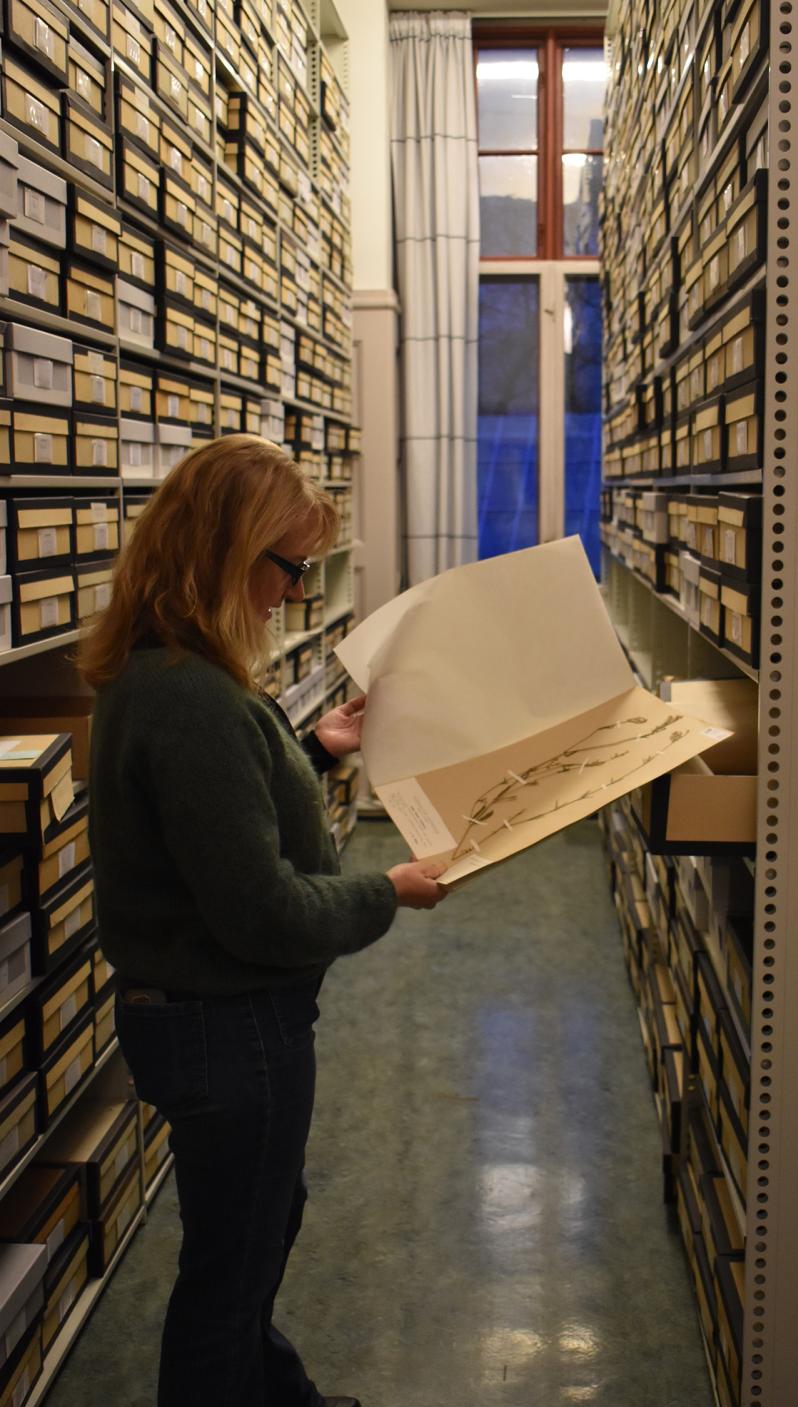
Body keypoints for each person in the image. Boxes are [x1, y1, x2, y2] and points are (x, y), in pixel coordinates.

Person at [79, 435, 447, 1407]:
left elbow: (215, 819)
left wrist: (313, 750)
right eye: (287, 565)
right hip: (228, 1027)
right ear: (225, 551)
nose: (292, 590)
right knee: (229, 1273)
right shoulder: (193, 698)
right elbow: (263, 913)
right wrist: (389, 891)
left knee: (254, 1234)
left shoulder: (158, 672)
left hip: (204, 1023)